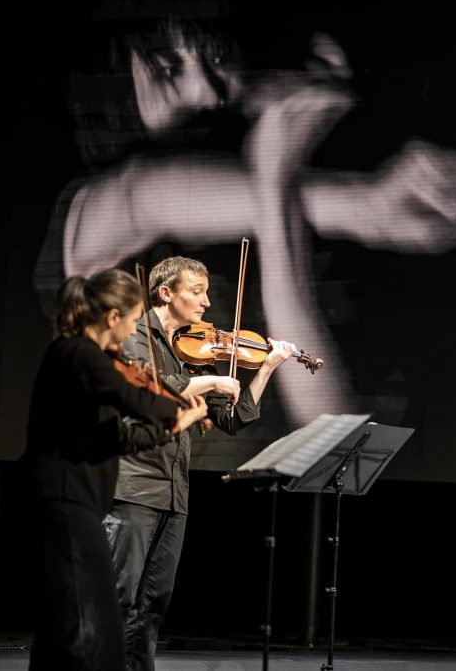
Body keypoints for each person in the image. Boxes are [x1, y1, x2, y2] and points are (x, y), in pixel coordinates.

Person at [35, 0, 456, 425]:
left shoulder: (221, 149)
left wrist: (377, 195)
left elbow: (343, 206)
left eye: (211, 51)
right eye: (166, 70)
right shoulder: (114, 198)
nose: (207, 85)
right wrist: (286, 174)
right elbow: (326, 427)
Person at [104, 256, 296, 671]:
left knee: (153, 602)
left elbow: (231, 419)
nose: (207, 302)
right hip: (133, 488)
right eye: (196, 292)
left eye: (206, 292)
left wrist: (264, 370)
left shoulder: (187, 354)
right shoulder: (136, 337)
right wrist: (211, 380)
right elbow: (151, 389)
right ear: (165, 292)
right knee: (118, 597)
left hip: (174, 494)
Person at [23, 269, 208, 670]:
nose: (131, 334)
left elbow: (119, 437)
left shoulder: (90, 363)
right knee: (90, 617)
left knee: (79, 618)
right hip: (63, 497)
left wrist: (177, 424)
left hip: (78, 498)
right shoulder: (78, 353)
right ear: (112, 318)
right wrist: (170, 402)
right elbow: (134, 396)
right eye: (131, 319)